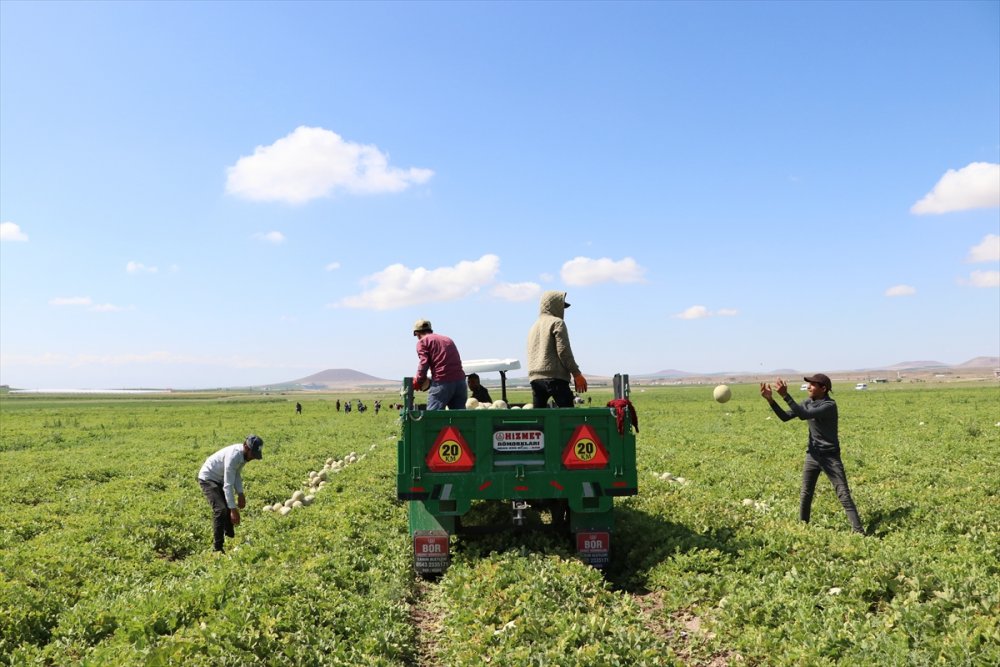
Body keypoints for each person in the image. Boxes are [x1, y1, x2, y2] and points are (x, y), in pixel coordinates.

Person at [760, 374, 864, 534]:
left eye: (813, 385)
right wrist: (771, 400)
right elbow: (785, 417)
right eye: (808, 384)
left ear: (823, 388)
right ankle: (803, 527)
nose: (808, 387)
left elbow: (804, 415)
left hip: (830, 457)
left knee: (843, 494)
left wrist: (786, 396)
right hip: (812, 456)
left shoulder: (829, 405)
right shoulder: (808, 402)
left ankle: (859, 532)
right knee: (805, 493)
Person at [197, 434, 264, 553]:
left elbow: (236, 474)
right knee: (221, 509)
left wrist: (241, 493)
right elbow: (228, 485)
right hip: (208, 478)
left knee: (228, 506)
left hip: (220, 478)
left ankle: (230, 536)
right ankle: (217, 549)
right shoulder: (233, 456)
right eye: (253, 454)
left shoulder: (244, 456)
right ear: (246, 447)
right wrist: (233, 509)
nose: (253, 457)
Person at [527, 291, 587, 408]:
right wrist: (576, 374)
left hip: (535, 379)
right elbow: (563, 351)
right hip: (555, 378)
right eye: (561, 306)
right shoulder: (557, 322)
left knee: (540, 420)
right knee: (567, 419)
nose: (563, 310)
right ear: (554, 305)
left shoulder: (534, 326)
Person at [412, 318, 468, 410]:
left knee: (433, 418)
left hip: (442, 382)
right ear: (430, 330)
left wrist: (419, 381)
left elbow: (423, 363)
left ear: (416, 334)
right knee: (459, 419)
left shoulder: (422, 342)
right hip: (460, 383)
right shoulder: (447, 339)